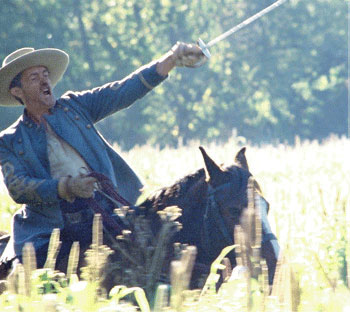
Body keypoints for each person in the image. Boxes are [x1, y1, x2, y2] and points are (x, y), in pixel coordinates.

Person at [0, 43, 206, 274]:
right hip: (50, 226)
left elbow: (122, 91)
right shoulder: (9, 140)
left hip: (105, 207)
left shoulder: (75, 106)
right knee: (30, 277)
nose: (45, 81)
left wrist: (170, 60)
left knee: (158, 249)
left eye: (45, 75)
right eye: (34, 78)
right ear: (17, 91)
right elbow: (19, 188)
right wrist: (67, 187)